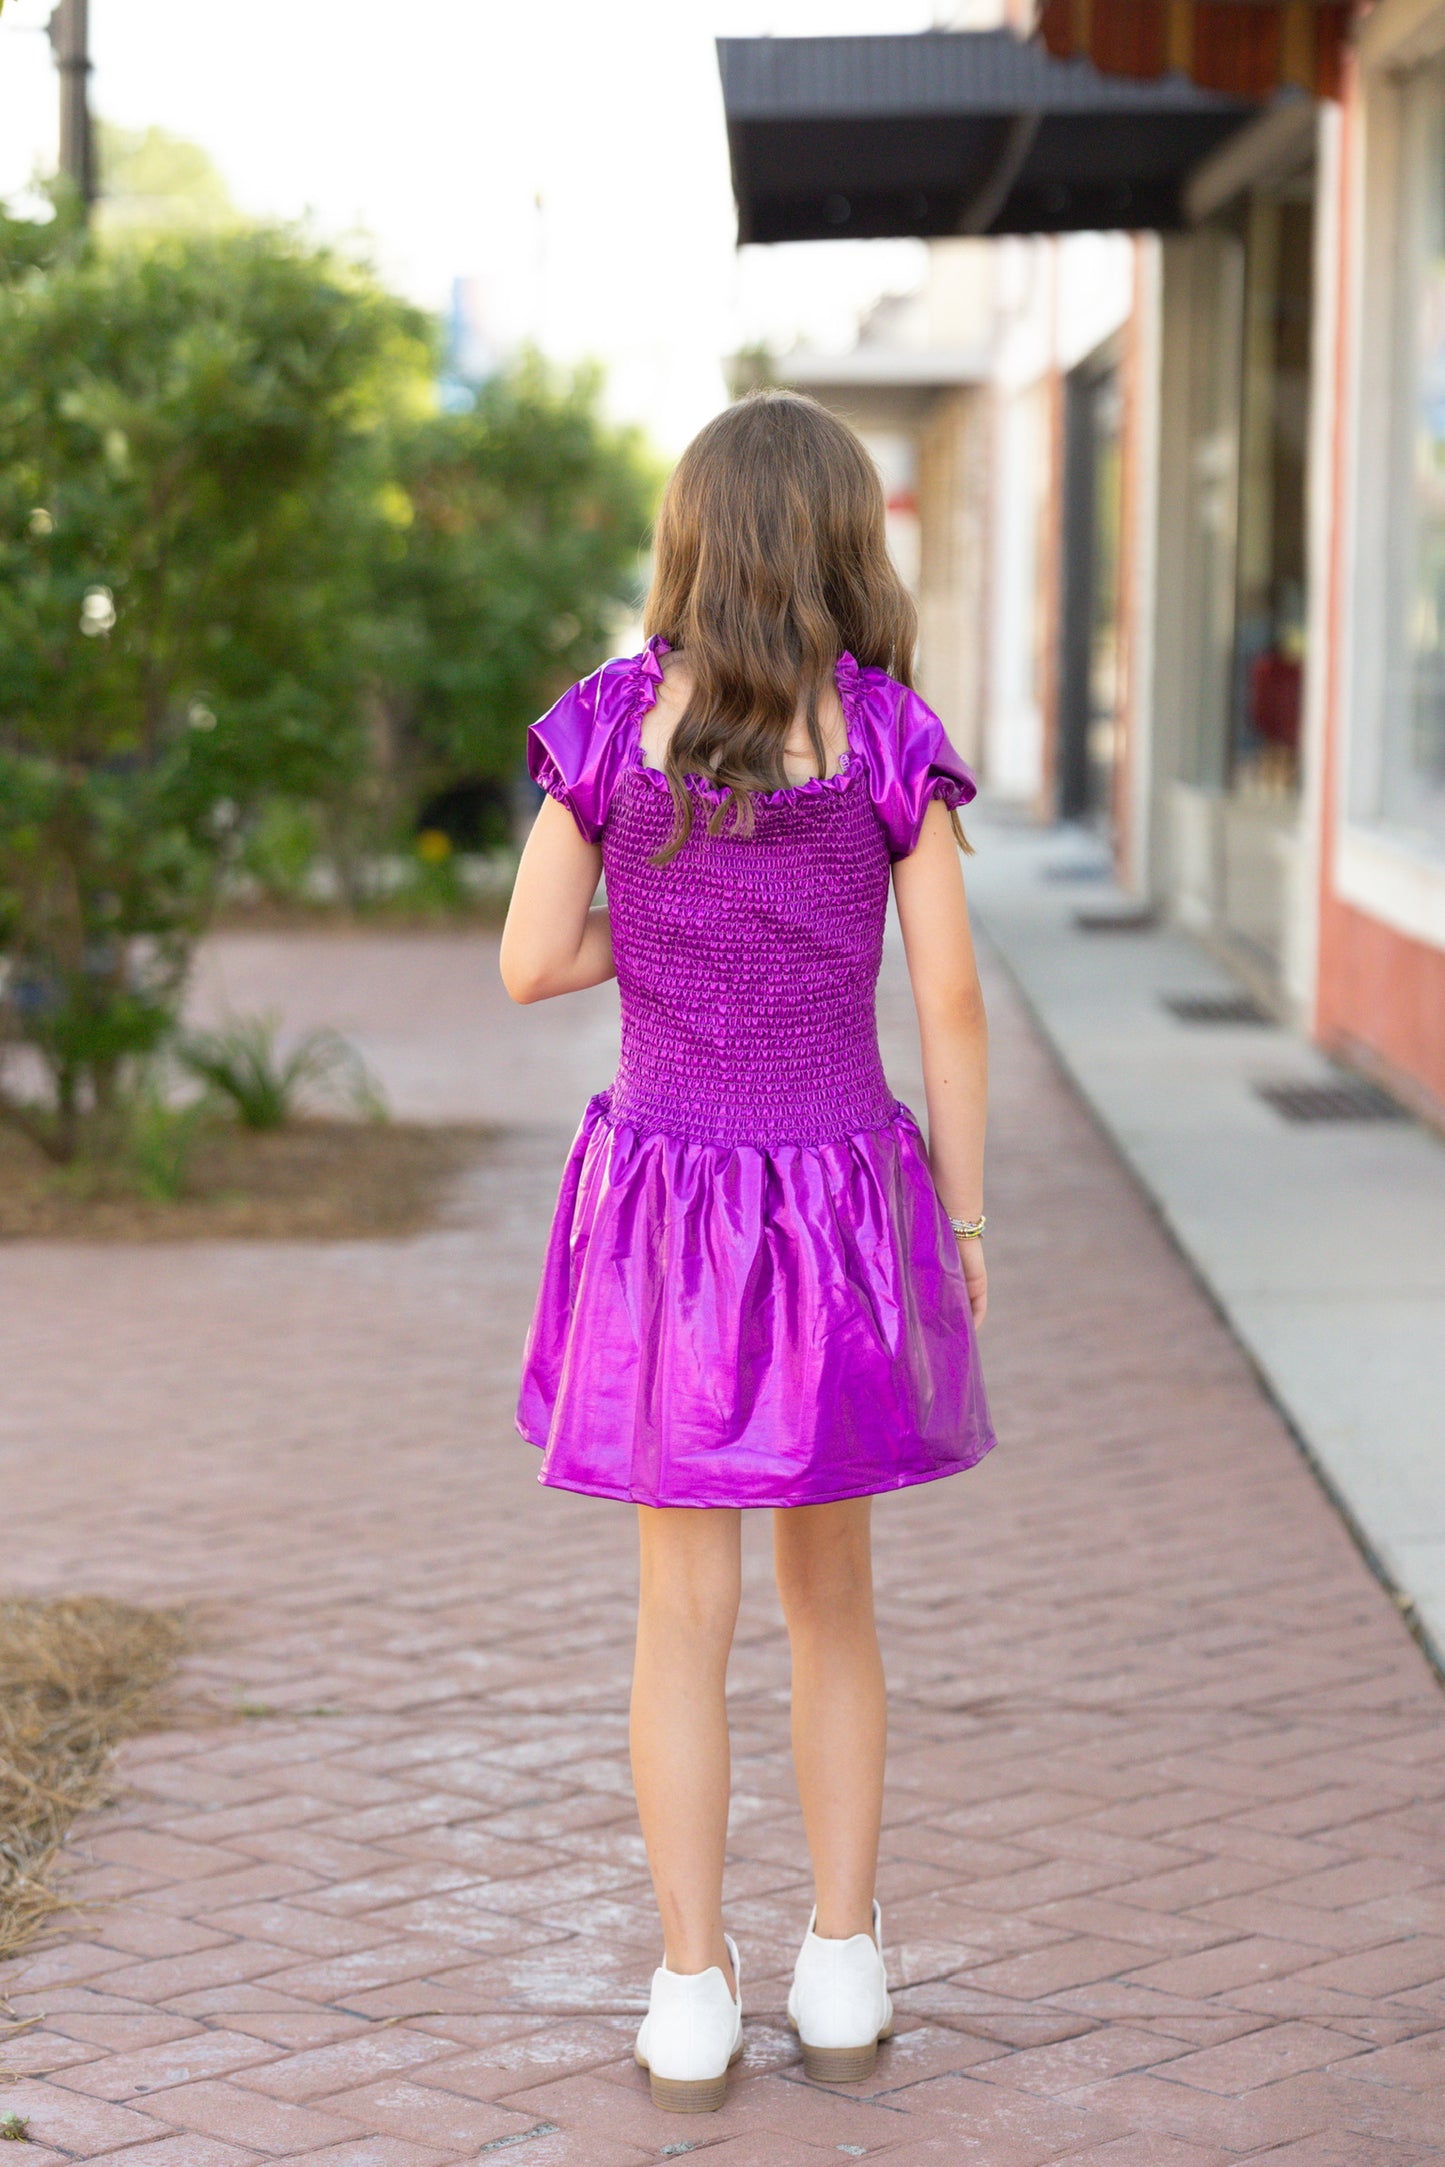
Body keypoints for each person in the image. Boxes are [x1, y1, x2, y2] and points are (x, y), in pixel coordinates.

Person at [500, 389, 995, 2114]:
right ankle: (844, 1963)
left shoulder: (611, 727)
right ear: (848, 544)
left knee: (676, 1617)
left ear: (688, 542)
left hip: (665, 1206)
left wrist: (664, 928)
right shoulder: (883, 740)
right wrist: (966, 1213)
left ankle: (689, 1985)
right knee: (832, 1607)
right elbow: (945, 998)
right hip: (840, 1202)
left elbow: (524, 960)